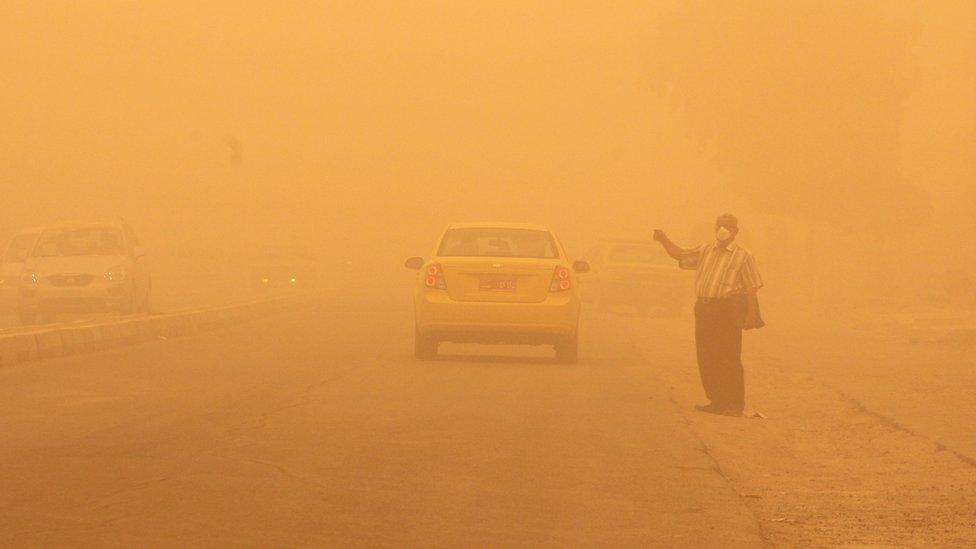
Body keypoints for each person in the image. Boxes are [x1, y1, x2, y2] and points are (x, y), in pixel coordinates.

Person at [653, 214, 763, 416]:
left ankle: (735, 404)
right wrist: (664, 240)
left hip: (727, 309)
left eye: (728, 227)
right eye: (720, 226)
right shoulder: (705, 250)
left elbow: (751, 287)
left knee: (728, 357)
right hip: (705, 309)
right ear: (715, 228)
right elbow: (680, 255)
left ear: (736, 231)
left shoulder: (743, 255)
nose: (723, 230)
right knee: (707, 356)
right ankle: (717, 401)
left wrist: (750, 316)